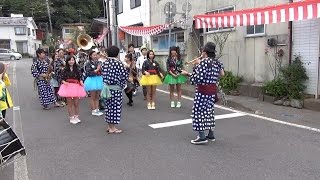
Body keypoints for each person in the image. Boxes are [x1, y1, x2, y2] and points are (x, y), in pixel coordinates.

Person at [182, 42, 225, 145]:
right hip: (212, 91)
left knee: (198, 112)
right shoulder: (216, 62)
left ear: (204, 52)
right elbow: (222, 74)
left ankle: (202, 136)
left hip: (202, 92)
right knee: (209, 111)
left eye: (202, 51)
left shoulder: (204, 62)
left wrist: (190, 72)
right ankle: (210, 134)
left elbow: (197, 78)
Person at [101, 46, 128, 134]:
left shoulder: (105, 63)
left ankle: (109, 126)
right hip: (115, 89)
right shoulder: (119, 63)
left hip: (106, 88)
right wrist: (122, 85)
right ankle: (113, 128)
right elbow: (124, 76)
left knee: (108, 107)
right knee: (115, 108)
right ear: (117, 53)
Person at [58, 56, 86, 124]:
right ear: (67, 61)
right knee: (69, 104)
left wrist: (82, 83)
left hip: (76, 87)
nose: (71, 61)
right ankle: (71, 117)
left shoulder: (77, 69)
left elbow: (80, 77)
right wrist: (65, 82)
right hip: (67, 86)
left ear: (74, 61)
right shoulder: (64, 69)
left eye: (73, 60)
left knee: (76, 103)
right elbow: (61, 79)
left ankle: (76, 116)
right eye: (70, 60)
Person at [84, 51, 104, 116]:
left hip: (98, 79)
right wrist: (96, 70)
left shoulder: (99, 62)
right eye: (94, 55)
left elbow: (102, 71)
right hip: (92, 80)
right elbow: (88, 73)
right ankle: (93, 110)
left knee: (97, 96)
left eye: (96, 55)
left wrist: (100, 70)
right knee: (93, 96)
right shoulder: (88, 63)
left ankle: (97, 109)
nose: (95, 56)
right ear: (90, 56)